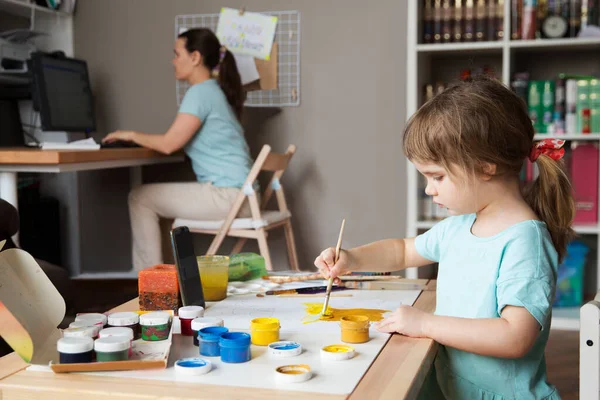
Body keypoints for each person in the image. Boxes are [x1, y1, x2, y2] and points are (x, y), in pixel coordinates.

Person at [315, 76, 573, 399]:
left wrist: (425, 324)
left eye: (436, 176)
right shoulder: (460, 225)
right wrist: (352, 259)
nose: (428, 189)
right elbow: (403, 251)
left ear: (485, 168)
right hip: (454, 389)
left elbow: (514, 337)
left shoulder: (525, 243)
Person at [103, 28, 253, 271]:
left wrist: (128, 134)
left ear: (195, 58)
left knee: (140, 198)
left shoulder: (200, 92)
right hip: (243, 196)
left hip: (228, 196)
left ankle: (152, 284)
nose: (173, 61)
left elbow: (168, 144)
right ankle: (165, 280)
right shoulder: (214, 91)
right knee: (153, 203)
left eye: (176, 53)